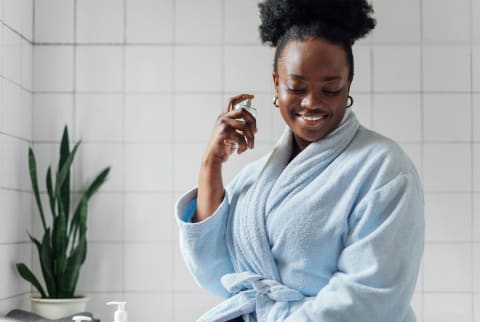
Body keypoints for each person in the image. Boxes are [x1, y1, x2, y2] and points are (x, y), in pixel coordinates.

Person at [175, 0, 424, 321]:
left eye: (330, 89)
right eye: (297, 87)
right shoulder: (257, 177)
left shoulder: (384, 168)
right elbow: (215, 274)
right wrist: (212, 164)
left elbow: (370, 297)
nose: (311, 102)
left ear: (348, 83)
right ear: (277, 84)